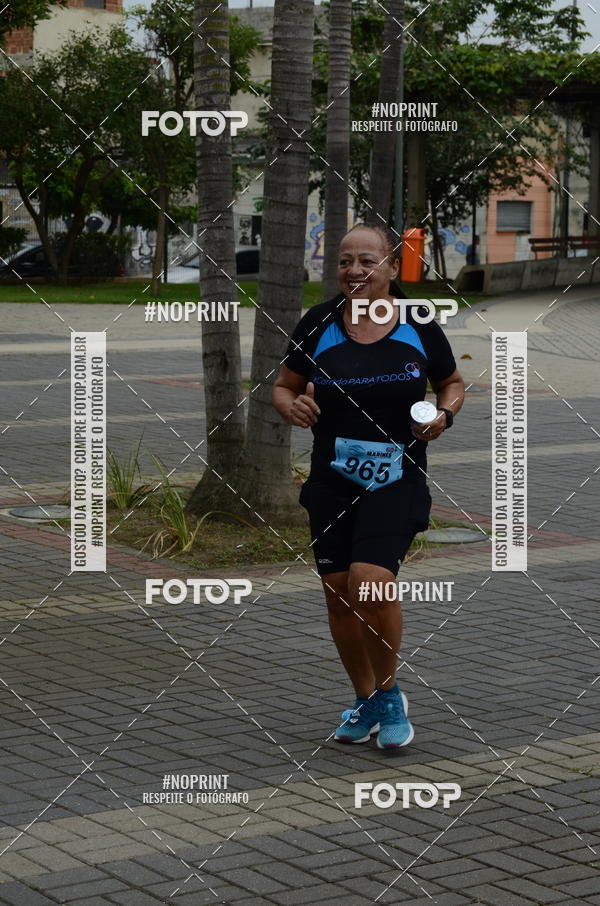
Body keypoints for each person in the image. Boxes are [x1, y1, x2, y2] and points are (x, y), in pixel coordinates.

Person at [272, 224, 464, 750]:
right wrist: (294, 407)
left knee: (370, 582)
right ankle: (367, 700)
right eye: (344, 262)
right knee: (338, 598)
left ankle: (389, 691)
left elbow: (451, 382)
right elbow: (283, 386)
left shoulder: (418, 322)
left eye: (366, 261)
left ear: (390, 264)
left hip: (396, 477)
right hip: (332, 481)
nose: (354, 271)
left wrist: (443, 415)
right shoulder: (319, 323)